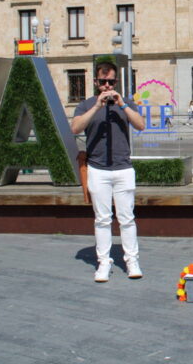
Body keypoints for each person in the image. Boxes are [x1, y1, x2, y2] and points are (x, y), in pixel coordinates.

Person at [71, 61, 146, 283]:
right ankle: (104, 262)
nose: (106, 86)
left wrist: (122, 104)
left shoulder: (126, 103)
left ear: (116, 82)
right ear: (95, 82)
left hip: (123, 168)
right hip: (98, 169)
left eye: (110, 82)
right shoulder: (86, 105)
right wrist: (97, 106)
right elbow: (75, 128)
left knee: (127, 218)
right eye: (102, 82)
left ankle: (132, 260)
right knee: (102, 219)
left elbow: (140, 125)